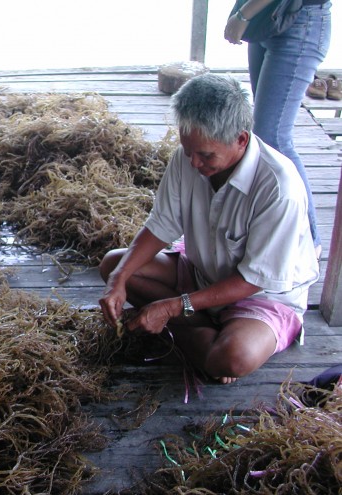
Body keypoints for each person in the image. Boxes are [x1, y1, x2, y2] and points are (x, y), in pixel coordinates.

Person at [98, 74, 319, 384]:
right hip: (203, 274)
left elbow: (253, 279)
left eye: (205, 155)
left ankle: (190, 328)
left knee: (233, 358)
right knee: (114, 265)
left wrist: (175, 305)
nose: (193, 163)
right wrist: (119, 279)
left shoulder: (279, 186)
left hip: (263, 296)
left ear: (241, 139)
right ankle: (199, 327)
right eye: (188, 150)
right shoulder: (188, 159)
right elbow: (161, 226)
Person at [224, 0, 332, 257]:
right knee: (261, 133)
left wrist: (243, 14)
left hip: (300, 20)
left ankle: (308, 241)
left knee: (273, 137)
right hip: (266, 17)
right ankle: (264, 225)